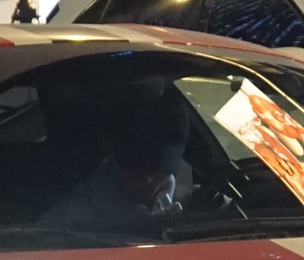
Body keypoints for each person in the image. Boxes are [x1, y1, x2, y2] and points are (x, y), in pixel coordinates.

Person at [44, 93, 197, 228]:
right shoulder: (70, 220)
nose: (149, 179)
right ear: (109, 153)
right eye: (135, 165)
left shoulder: (181, 192)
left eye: (159, 167)